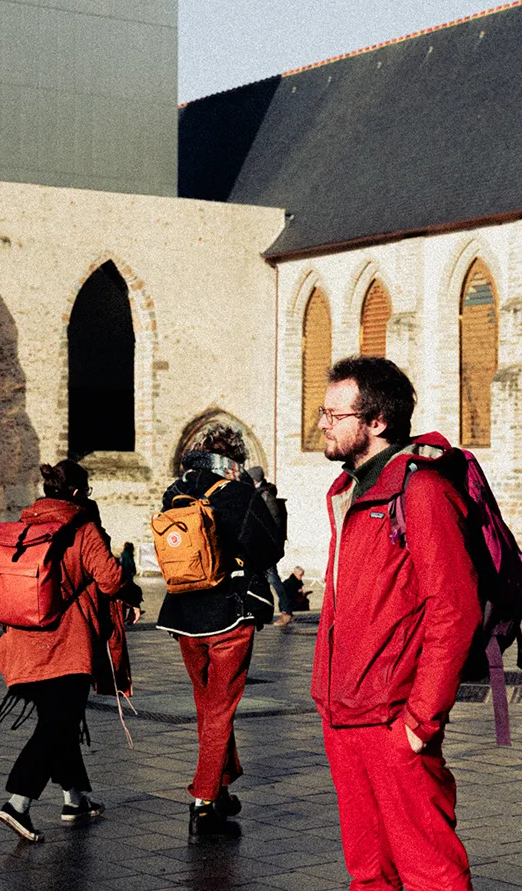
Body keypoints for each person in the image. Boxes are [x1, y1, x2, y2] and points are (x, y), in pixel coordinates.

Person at [312, 355, 481, 891]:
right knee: (368, 872)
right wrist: (326, 698)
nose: (322, 423)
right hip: (342, 713)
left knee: (430, 870)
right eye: (324, 411)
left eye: (335, 414)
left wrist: (420, 721)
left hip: (393, 718)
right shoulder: (348, 492)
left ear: (376, 422)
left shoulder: (421, 491)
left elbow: (454, 609)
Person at [0, 459, 142, 843]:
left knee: (61, 720)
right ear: (77, 493)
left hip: (22, 641)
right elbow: (109, 578)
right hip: (67, 643)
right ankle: (17, 802)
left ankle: (76, 799)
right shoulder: (82, 528)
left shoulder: (22, 528)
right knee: (58, 725)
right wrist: (133, 594)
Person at [157, 425, 283, 836]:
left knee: (206, 704)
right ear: (234, 459)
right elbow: (270, 547)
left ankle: (221, 788)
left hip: (182, 613)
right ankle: (204, 801)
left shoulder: (174, 492)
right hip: (228, 614)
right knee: (220, 709)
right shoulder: (237, 493)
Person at [246, 466, 290, 626]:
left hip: (266, 546)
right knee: (258, 577)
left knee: (272, 577)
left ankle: (286, 612)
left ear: (254, 480)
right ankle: (261, 610)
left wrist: (271, 544)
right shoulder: (258, 494)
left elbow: (274, 522)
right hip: (258, 544)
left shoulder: (266, 495)